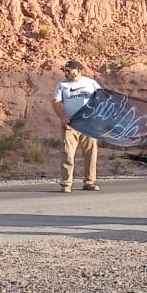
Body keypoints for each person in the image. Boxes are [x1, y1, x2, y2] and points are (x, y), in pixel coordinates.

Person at [51, 60, 102, 193]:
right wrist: (62, 117)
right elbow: (56, 102)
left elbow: (102, 98)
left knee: (91, 153)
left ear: (79, 70)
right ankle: (66, 183)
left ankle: (89, 182)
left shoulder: (90, 83)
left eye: (69, 70)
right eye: (65, 71)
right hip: (71, 123)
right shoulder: (62, 85)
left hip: (88, 123)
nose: (66, 73)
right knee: (67, 152)